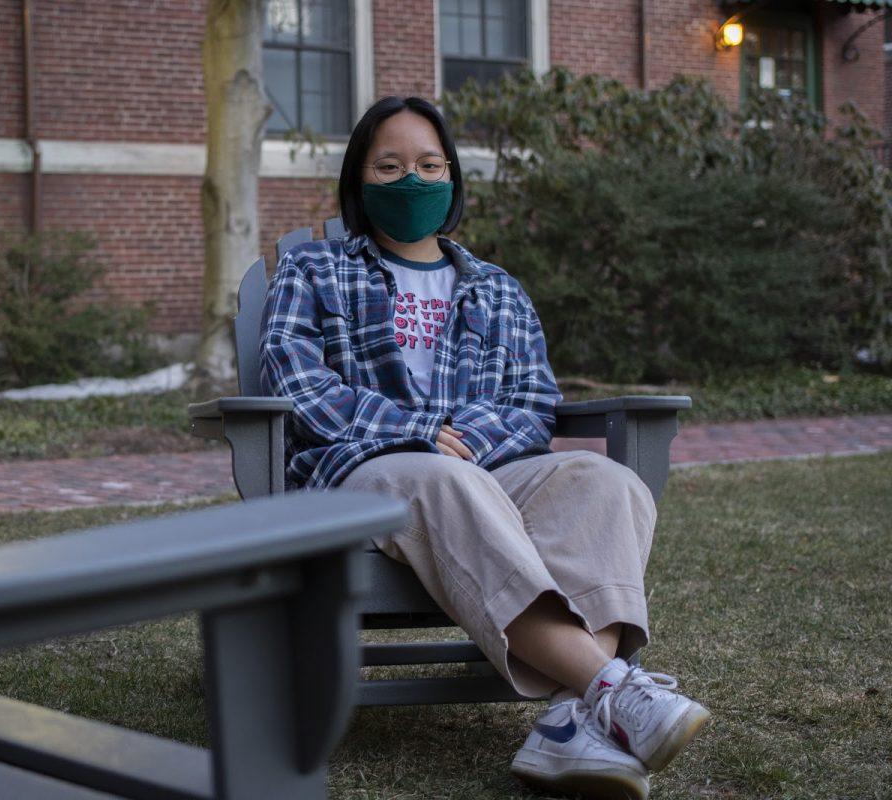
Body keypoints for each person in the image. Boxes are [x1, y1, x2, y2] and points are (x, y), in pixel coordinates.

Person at [258, 96, 709, 800]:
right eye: (390, 165)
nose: (412, 179)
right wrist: (408, 432)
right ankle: (614, 689)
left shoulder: (497, 289)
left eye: (429, 164)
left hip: (486, 469)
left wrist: (462, 441)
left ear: (452, 177)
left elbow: (532, 404)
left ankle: (569, 724)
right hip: (359, 473)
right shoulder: (314, 273)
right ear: (360, 180)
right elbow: (298, 380)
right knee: (446, 480)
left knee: (605, 481)